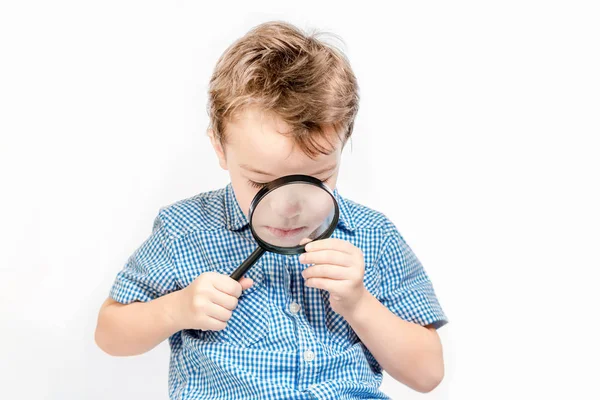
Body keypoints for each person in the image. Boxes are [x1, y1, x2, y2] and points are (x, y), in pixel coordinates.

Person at [95, 20, 448, 399]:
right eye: (262, 184)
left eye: (317, 180)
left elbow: (427, 373)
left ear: (343, 143)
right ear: (219, 147)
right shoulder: (184, 230)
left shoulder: (373, 235)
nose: (289, 208)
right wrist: (175, 310)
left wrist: (360, 303)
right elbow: (109, 333)